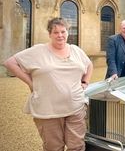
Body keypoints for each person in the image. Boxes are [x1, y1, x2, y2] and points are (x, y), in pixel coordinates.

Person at [3, 17, 93, 151]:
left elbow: (89, 65)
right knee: (54, 147)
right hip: (48, 110)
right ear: (50, 34)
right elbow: (10, 63)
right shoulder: (38, 51)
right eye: (56, 32)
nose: (60, 35)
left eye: (63, 31)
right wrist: (30, 82)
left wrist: (85, 82)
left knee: (77, 146)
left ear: (67, 32)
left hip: (75, 107)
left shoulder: (75, 50)